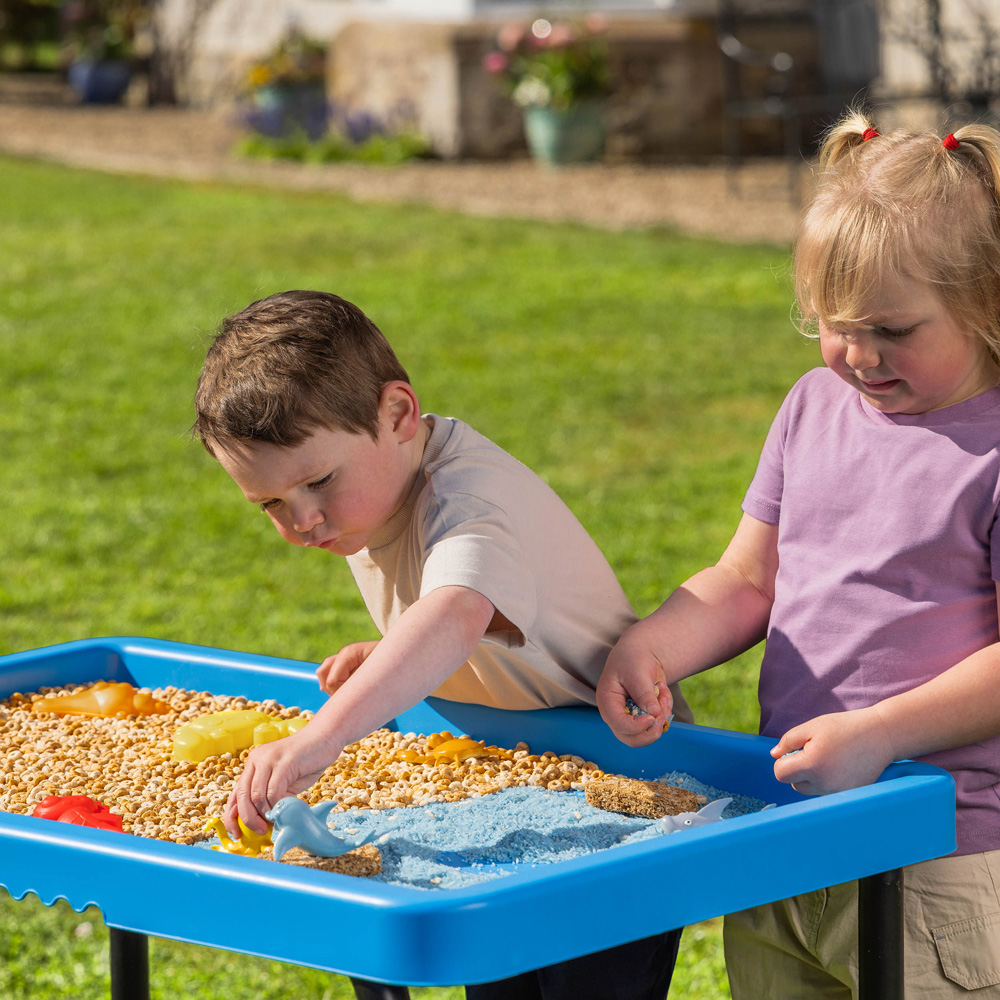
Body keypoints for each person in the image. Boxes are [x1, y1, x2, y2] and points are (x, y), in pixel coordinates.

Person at [597, 110, 1000, 999]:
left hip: (938, 847)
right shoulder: (814, 406)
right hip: (784, 824)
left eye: (894, 330)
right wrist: (653, 645)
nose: (859, 355)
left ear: (986, 300)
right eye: (833, 324)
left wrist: (882, 733)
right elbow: (748, 579)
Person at [193, 288, 693, 1000]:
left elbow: (458, 611)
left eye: (317, 482)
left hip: (629, 774)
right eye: (270, 503)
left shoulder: (467, 497)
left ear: (397, 414)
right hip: (521, 768)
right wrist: (397, 647)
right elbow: (455, 620)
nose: (301, 520)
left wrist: (320, 739)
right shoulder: (372, 495)